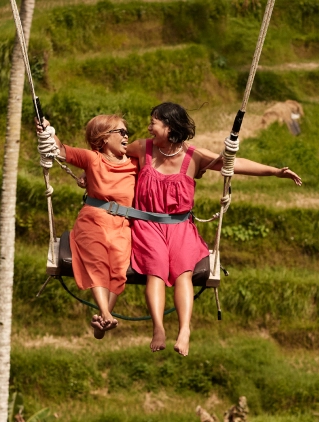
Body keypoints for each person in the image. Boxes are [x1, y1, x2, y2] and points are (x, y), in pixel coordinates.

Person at [124, 102, 302, 357]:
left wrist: (274, 172)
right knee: (156, 271)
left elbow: (233, 164)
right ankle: (159, 329)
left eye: (154, 122)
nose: (149, 127)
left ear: (170, 127)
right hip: (148, 226)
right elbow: (112, 153)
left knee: (183, 272)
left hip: (180, 226)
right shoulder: (143, 148)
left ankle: (184, 330)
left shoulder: (194, 156)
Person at [36, 115, 139, 340]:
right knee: (98, 261)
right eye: (120, 132)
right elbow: (62, 150)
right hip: (94, 220)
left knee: (119, 269)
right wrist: (47, 130)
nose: (126, 135)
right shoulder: (93, 159)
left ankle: (102, 321)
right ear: (103, 139)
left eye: (126, 131)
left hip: (122, 225)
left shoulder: (134, 163)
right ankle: (105, 312)